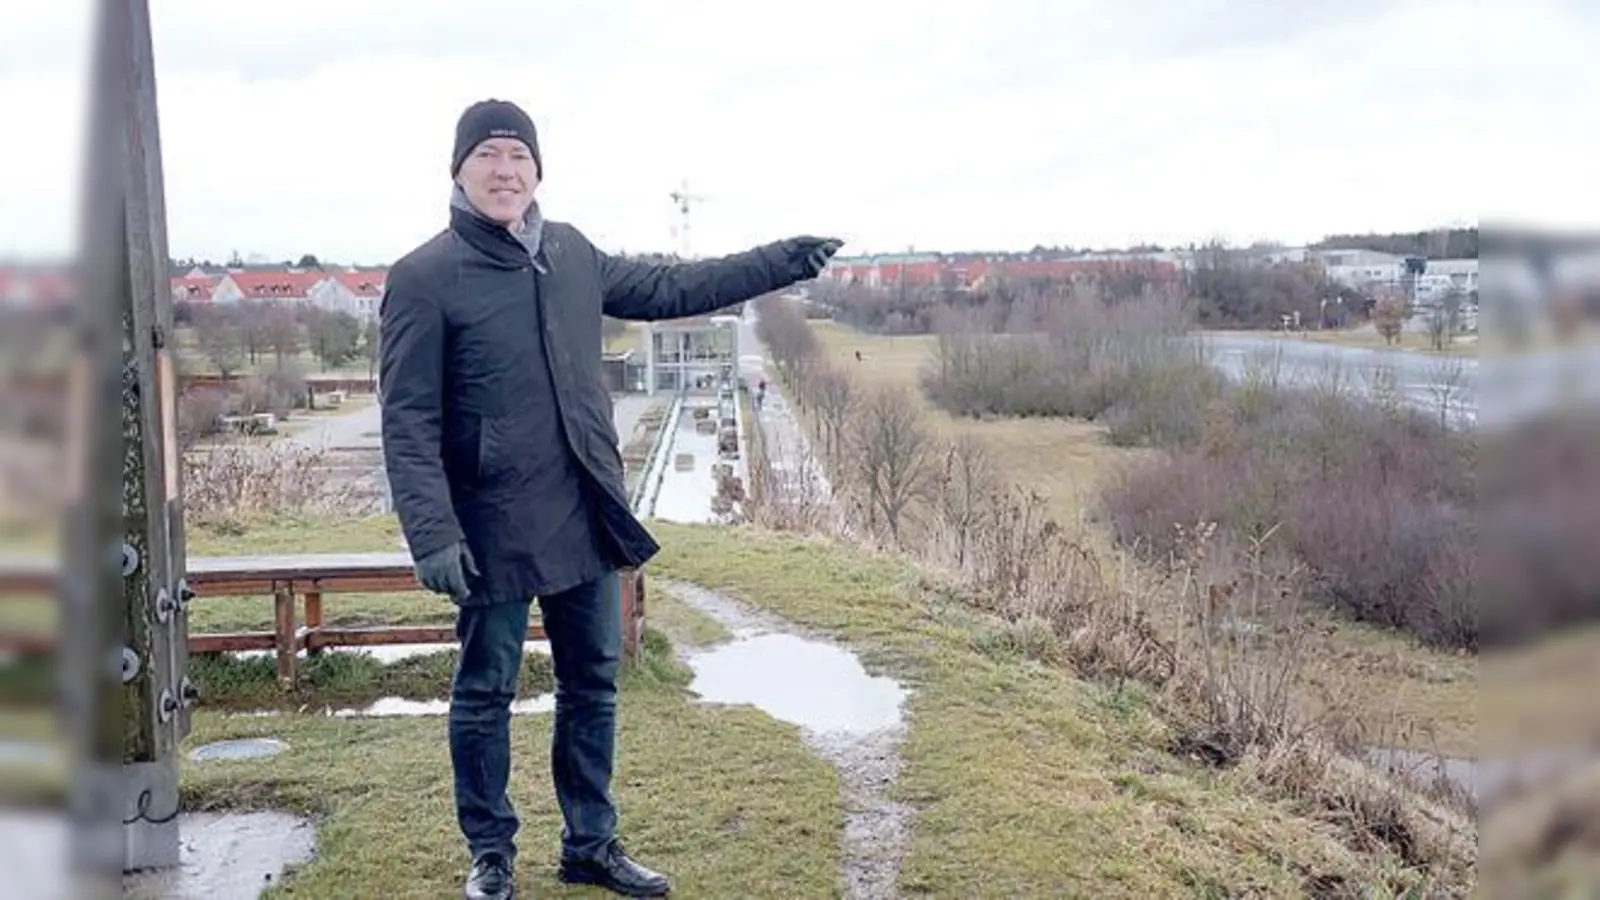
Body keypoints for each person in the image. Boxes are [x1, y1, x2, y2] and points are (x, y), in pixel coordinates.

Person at [378, 98, 843, 900]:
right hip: (488, 522)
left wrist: (780, 262)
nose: (505, 170)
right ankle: (491, 853)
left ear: (538, 171)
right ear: (458, 169)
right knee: (485, 689)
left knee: (592, 683)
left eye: (518, 156)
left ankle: (590, 844)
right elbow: (407, 419)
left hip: (581, 508)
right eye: (487, 155)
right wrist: (432, 534)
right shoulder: (424, 277)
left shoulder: (570, 253)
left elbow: (672, 284)